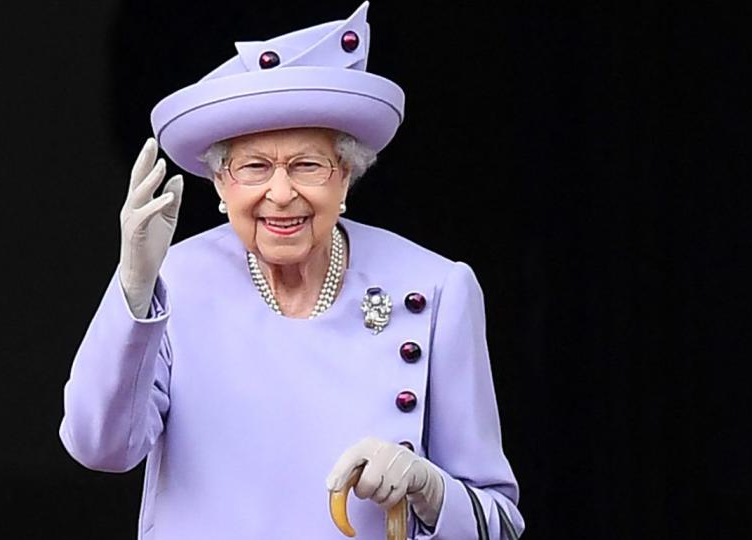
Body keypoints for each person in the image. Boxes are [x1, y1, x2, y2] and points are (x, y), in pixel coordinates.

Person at [59, 3, 523, 538]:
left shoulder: (436, 288)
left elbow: (500, 524)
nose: (281, 194)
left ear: (346, 176)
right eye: (254, 167)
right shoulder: (174, 283)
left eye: (308, 165)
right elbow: (99, 447)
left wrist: (428, 487)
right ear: (219, 183)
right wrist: (134, 289)